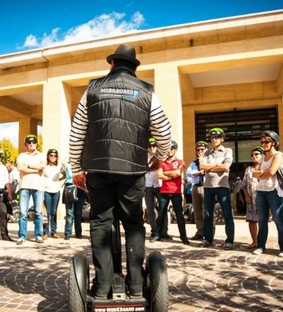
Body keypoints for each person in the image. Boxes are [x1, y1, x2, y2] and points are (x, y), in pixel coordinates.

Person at [69, 43, 172, 300]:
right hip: (132, 169)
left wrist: (77, 169)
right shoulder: (147, 91)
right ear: (134, 67)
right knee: (134, 223)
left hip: (98, 169)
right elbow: (165, 132)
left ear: (112, 64)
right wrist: (158, 158)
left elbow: (77, 132)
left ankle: (103, 287)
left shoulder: (92, 89)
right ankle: (136, 286)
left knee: (101, 223)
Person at [251, 130, 283, 257]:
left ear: (274, 142)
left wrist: (262, 172)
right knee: (262, 220)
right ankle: (261, 246)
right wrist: (264, 172)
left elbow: (272, 172)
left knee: (278, 219)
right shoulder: (262, 157)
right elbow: (253, 173)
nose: (264, 144)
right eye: (263, 142)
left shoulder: (278, 155)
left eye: (267, 141)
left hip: (274, 191)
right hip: (261, 190)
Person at [199, 128, 234, 249]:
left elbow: (226, 166)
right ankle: (208, 239)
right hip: (208, 186)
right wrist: (217, 166)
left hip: (222, 186)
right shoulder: (207, 153)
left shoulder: (227, 151)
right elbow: (202, 166)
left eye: (217, 137)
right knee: (208, 214)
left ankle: (229, 240)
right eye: (212, 138)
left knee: (227, 214)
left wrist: (211, 168)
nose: (214, 140)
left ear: (222, 139)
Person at [153, 140, 190, 245]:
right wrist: (172, 175)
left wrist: (167, 174)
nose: (169, 151)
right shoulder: (162, 162)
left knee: (179, 215)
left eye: (172, 149)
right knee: (161, 214)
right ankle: (157, 235)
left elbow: (179, 172)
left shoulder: (180, 162)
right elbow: (159, 175)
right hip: (164, 191)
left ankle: (184, 237)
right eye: (168, 149)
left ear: (176, 150)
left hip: (176, 191)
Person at [16, 134, 46, 245]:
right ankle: (22, 236)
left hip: (38, 186)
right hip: (24, 186)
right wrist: (35, 169)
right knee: (23, 213)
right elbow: (20, 167)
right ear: (26, 144)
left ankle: (38, 235)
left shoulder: (41, 155)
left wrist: (27, 166)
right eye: (29, 142)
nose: (31, 144)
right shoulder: (21, 155)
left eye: (33, 142)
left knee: (38, 213)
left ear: (37, 143)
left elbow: (42, 167)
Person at [144, 138, 167, 239]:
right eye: (149, 146)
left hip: (160, 185)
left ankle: (164, 231)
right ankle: (154, 230)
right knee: (150, 210)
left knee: (163, 209)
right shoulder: (143, 157)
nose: (152, 148)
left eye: (154, 146)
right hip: (148, 185)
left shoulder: (161, 157)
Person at [241, 147, 264, 249]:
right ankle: (254, 241)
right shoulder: (249, 169)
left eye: (257, 154)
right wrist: (246, 195)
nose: (254, 156)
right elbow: (244, 184)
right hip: (251, 198)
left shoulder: (266, 167)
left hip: (263, 198)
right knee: (252, 221)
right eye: (252, 155)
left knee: (262, 221)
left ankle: (261, 242)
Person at [186, 140, 207, 240]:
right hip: (196, 187)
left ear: (206, 149)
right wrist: (198, 172)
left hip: (206, 187)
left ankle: (209, 232)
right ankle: (200, 231)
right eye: (198, 150)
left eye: (202, 149)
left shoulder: (209, 161)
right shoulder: (194, 163)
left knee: (207, 211)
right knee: (197, 211)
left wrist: (202, 165)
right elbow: (189, 172)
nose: (200, 151)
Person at [43, 148, 65, 239]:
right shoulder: (44, 166)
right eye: (51, 155)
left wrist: (58, 180)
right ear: (48, 156)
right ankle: (45, 233)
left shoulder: (59, 166)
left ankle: (54, 232)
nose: (53, 157)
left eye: (55, 156)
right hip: (46, 191)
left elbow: (66, 174)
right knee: (46, 213)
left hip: (56, 191)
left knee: (54, 212)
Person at [63, 161, 87, 240]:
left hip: (81, 189)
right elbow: (61, 162)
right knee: (69, 213)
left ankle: (78, 233)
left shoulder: (84, 166)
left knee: (78, 213)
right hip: (70, 188)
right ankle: (67, 233)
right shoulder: (67, 165)